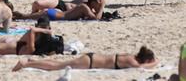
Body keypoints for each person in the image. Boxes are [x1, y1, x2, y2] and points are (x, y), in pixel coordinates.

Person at [13, 46, 158, 72]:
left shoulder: (130, 56)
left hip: (91, 58)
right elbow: (141, 68)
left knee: (58, 64)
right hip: (89, 62)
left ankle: (31, 62)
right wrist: (155, 63)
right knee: (57, 66)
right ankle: (27, 63)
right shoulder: (132, 62)